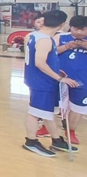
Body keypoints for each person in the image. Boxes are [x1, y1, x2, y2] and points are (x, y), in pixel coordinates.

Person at [22, 10, 78, 157]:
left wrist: (56, 70)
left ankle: (56, 139)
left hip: (41, 79)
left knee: (47, 112)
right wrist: (59, 78)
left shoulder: (33, 35)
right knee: (35, 112)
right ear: (62, 24)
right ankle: (31, 141)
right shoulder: (45, 40)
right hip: (42, 82)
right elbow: (39, 63)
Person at [55, 15, 87, 145]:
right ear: (70, 27)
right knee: (51, 104)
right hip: (60, 78)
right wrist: (67, 47)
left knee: (78, 107)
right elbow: (50, 52)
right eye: (75, 29)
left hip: (83, 80)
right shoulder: (60, 37)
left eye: (83, 29)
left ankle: (71, 132)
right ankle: (46, 127)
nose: (79, 32)